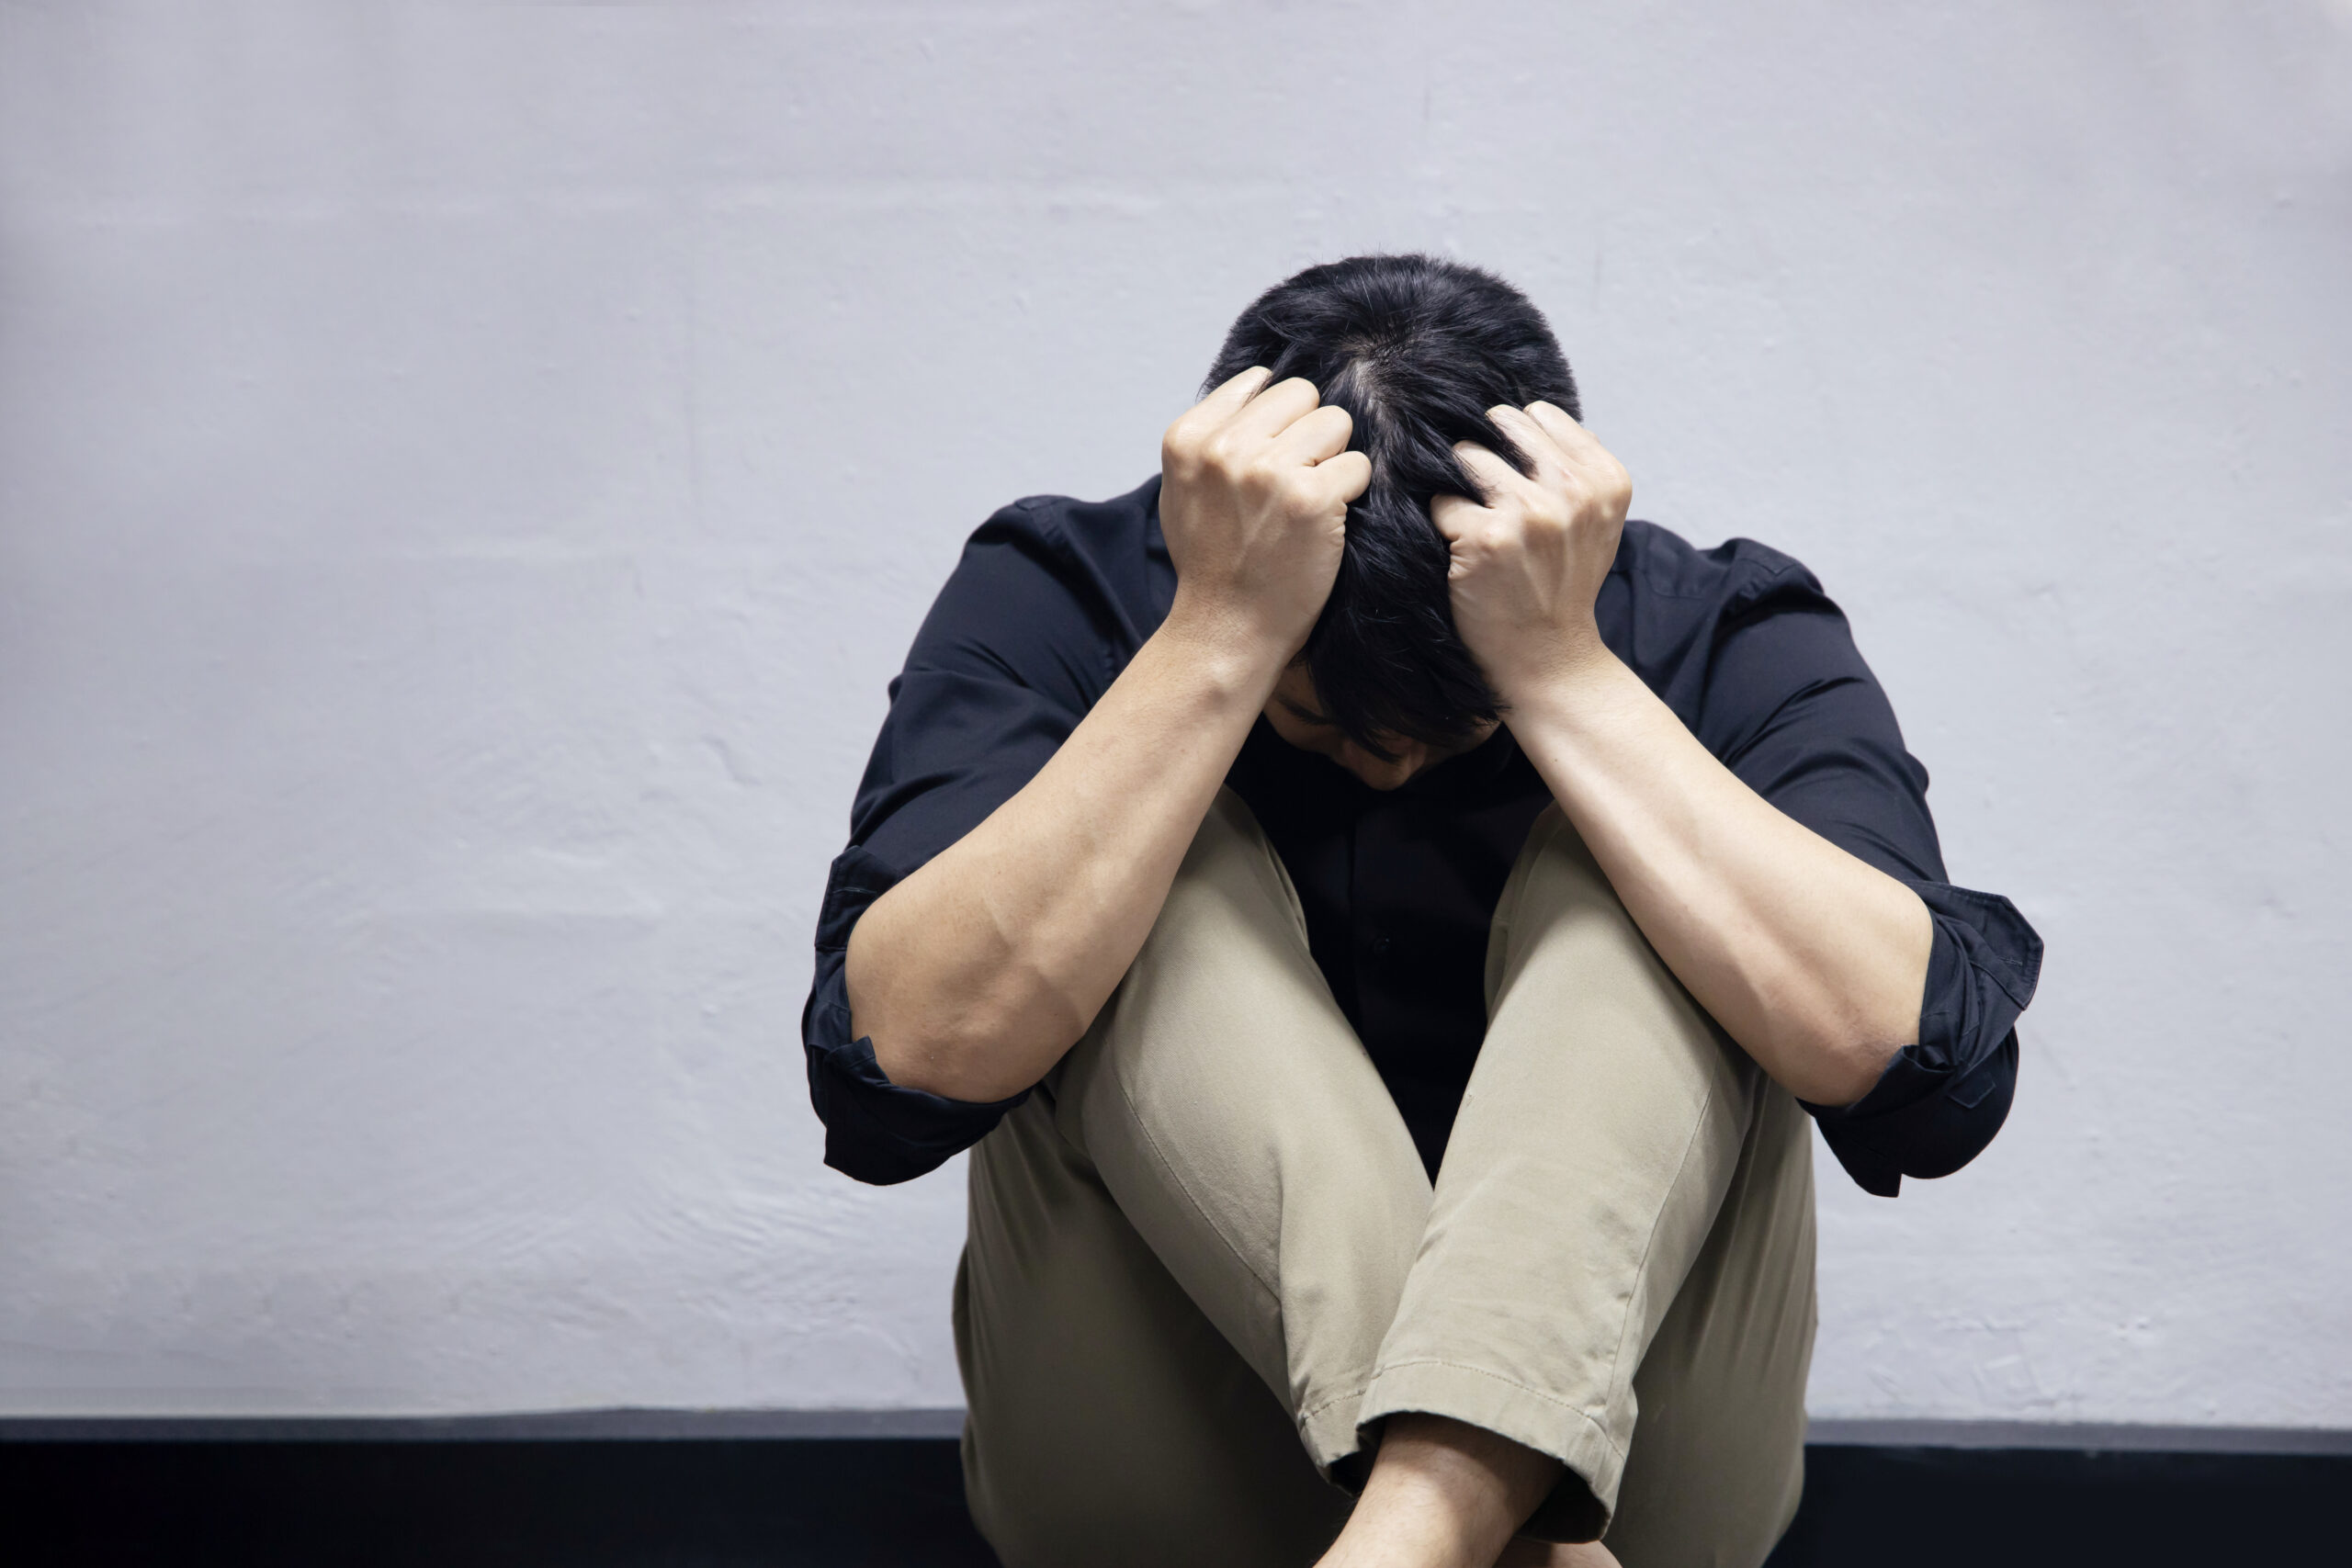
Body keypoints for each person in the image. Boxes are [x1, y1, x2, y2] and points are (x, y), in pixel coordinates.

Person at [800, 254, 2041, 1568]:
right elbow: (901, 1067)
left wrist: (1561, 674)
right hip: (1173, 1471)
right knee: (1126, 845)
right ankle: (1489, 1534)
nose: (1386, 763)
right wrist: (1217, 640)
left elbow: (1926, 1082)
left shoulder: (1716, 625)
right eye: (1326, 718)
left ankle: (1415, 1531)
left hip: (1642, 1479)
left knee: (1656, 861)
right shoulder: (1072, 591)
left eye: (1440, 730)